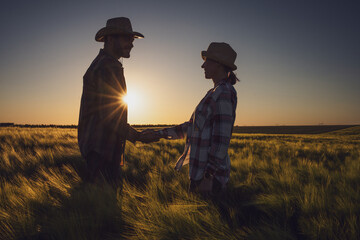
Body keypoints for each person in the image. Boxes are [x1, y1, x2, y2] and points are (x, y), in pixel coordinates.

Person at [145, 42, 238, 198]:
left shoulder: (223, 92)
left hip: (209, 179)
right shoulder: (214, 92)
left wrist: (208, 176)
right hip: (199, 174)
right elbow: (192, 127)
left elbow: (221, 140)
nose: (203, 66)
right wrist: (158, 134)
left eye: (207, 61)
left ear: (218, 64)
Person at [78, 17, 157, 186]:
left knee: (98, 205)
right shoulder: (109, 67)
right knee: (105, 207)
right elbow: (110, 116)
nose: (132, 44)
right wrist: (139, 136)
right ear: (111, 39)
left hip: (99, 151)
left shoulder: (102, 64)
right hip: (102, 152)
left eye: (132, 39)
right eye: (127, 38)